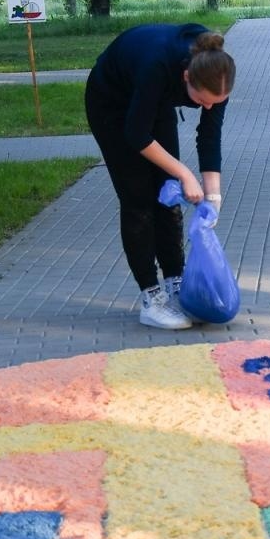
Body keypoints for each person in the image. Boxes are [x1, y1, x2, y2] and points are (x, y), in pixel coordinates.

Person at [84, 23, 233, 330]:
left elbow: (209, 135)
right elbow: (136, 134)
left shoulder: (217, 75)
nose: (207, 106)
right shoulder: (158, 64)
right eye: (202, 99)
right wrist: (185, 174)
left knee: (167, 194)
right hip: (112, 104)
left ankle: (175, 283)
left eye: (214, 102)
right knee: (138, 198)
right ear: (186, 77)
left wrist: (214, 196)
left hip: (155, 100)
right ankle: (151, 298)